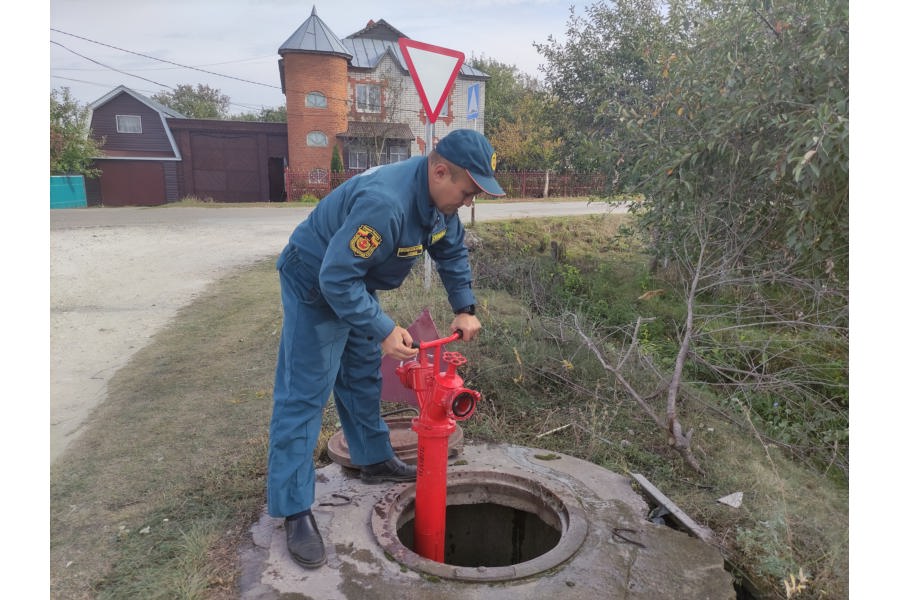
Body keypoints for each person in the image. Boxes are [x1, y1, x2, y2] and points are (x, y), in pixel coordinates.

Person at [267, 129, 506, 569]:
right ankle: (294, 509)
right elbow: (334, 278)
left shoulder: (439, 203)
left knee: (360, 373)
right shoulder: (386, 203)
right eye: (469, 191)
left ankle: (372, 458)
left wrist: (465, 307)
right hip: (314, 280)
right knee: (304, 393)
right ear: (439, 172)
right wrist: (381, 327)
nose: (470, 201)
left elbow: (451, 252)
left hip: (355, 283)